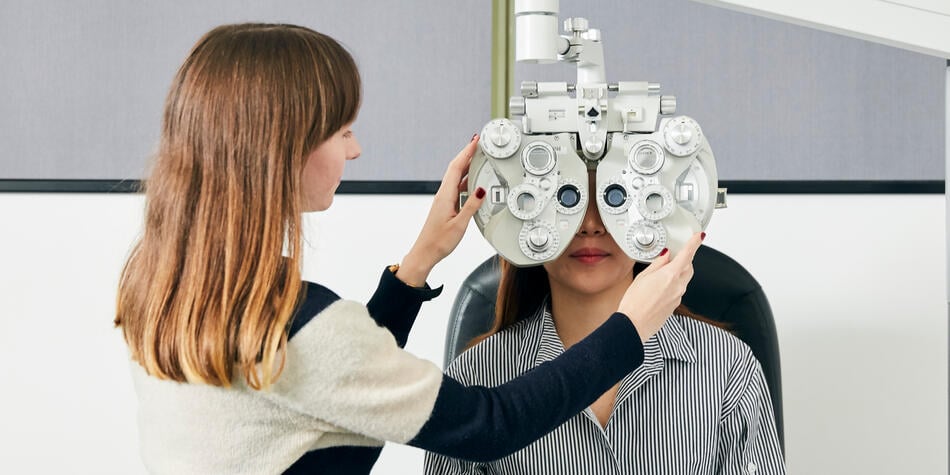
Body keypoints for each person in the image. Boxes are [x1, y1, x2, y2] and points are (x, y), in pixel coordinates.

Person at [114, 23, 703, 475]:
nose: (355, 149)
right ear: (285, 148)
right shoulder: (303, 329)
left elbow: (331, 387)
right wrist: (630, 328)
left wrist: (415, 268)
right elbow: (488, 425)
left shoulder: (169, 291)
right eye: (341, 130)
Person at [424, 174, 785, 474]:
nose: (591, 225)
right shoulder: (476, 375)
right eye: (567, 200)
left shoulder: (725, 366)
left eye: (616, 198)